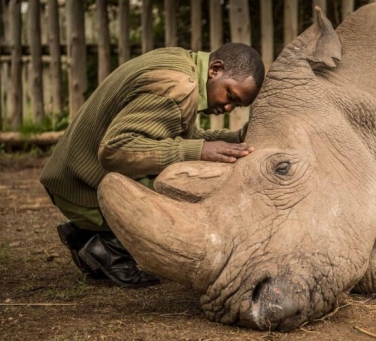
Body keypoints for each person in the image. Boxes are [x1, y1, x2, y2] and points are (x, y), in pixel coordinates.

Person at [40, 43, 265, 288]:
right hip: (81, 189)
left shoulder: (181, 63)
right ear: (216, 69)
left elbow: (177, 138)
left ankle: (88, 235)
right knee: (193, 188)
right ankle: (107, 245)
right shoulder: (179, 87)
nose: (228, 107)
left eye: (237, 105)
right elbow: (115, 149)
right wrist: (198, 151)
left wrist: (235, 139)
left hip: (71, 177)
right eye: (230, 95)